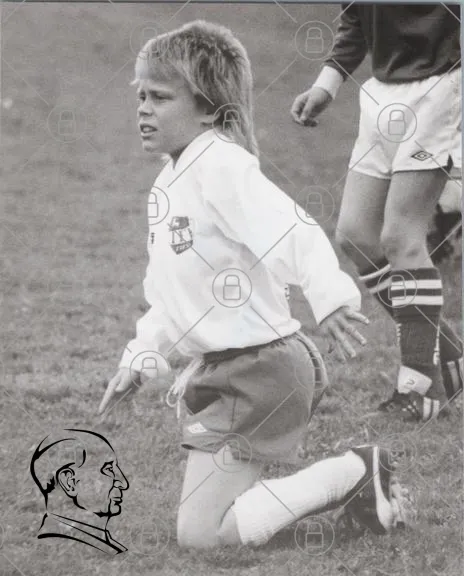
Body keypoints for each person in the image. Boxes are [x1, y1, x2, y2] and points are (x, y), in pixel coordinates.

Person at [98, 20, 407, 550]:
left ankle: (354, 472)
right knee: (208, 524)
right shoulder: (169, 182)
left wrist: (330, 297)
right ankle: (352, 482)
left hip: (261, 371)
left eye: (161, 97)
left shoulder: (220, 165)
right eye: (141, 95)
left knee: (201, 535)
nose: (144, 109)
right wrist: (140, 359)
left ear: (207, 107)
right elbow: (171, 296)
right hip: (230, 371)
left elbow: (291, 229)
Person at [291, 3, 462, 421]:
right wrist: (327, 85)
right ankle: (450, 356)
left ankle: (420, 389)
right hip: (382, 93)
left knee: (401, 238)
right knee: (356, 234)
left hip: (441, 86)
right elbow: (355, 17)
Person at [30, 429, 129, 554]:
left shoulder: (104, 546)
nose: (123, 483)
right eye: (108, 469)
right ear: (69, 482)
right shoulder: (70, 552)